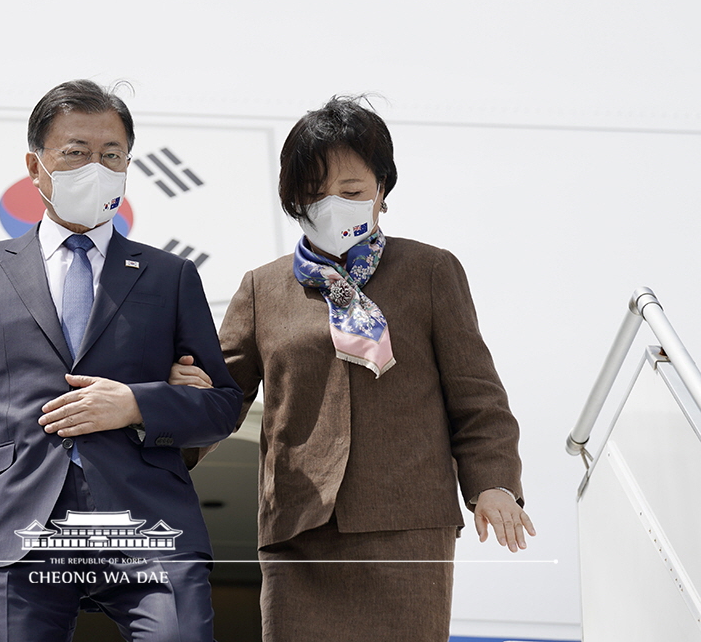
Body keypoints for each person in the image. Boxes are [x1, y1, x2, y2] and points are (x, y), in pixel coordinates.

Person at [172, 96, 535, 642]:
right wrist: (175, 413)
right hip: (300, 529)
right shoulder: (262, 289)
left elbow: (477, 397)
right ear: (293, 199)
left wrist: (494, 484)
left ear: (382, 193)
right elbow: (222, 400)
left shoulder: (430, 272)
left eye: (353, 191)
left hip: (408, 524)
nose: (335, 206)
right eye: (317, 193)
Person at [0, 79, 242, 642]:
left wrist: (136, 403)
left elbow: (223, 406)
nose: (97, 168)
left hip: (147, 519)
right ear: (35, 167)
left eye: (112, 156)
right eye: (77, 153)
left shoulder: (170, 276)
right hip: (17, 521)